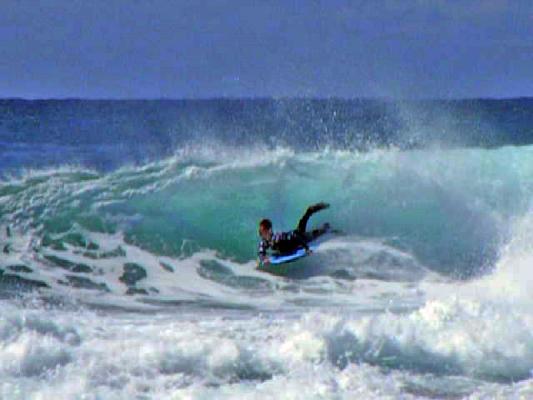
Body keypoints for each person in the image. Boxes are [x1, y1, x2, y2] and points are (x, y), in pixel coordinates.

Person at [258, 202, 330, 266]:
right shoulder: (264, 242)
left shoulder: (278, 238)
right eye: (261, 232)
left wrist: (306, 248)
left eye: (263, 232)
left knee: (317, 233)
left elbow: (294, 236)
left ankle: (326, 227)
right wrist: (263, 259)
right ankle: (310, 212)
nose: (261, 234)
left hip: (299, 237)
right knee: (304, 223)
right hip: (294, 238)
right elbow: (261, 251)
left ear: (270, 230)